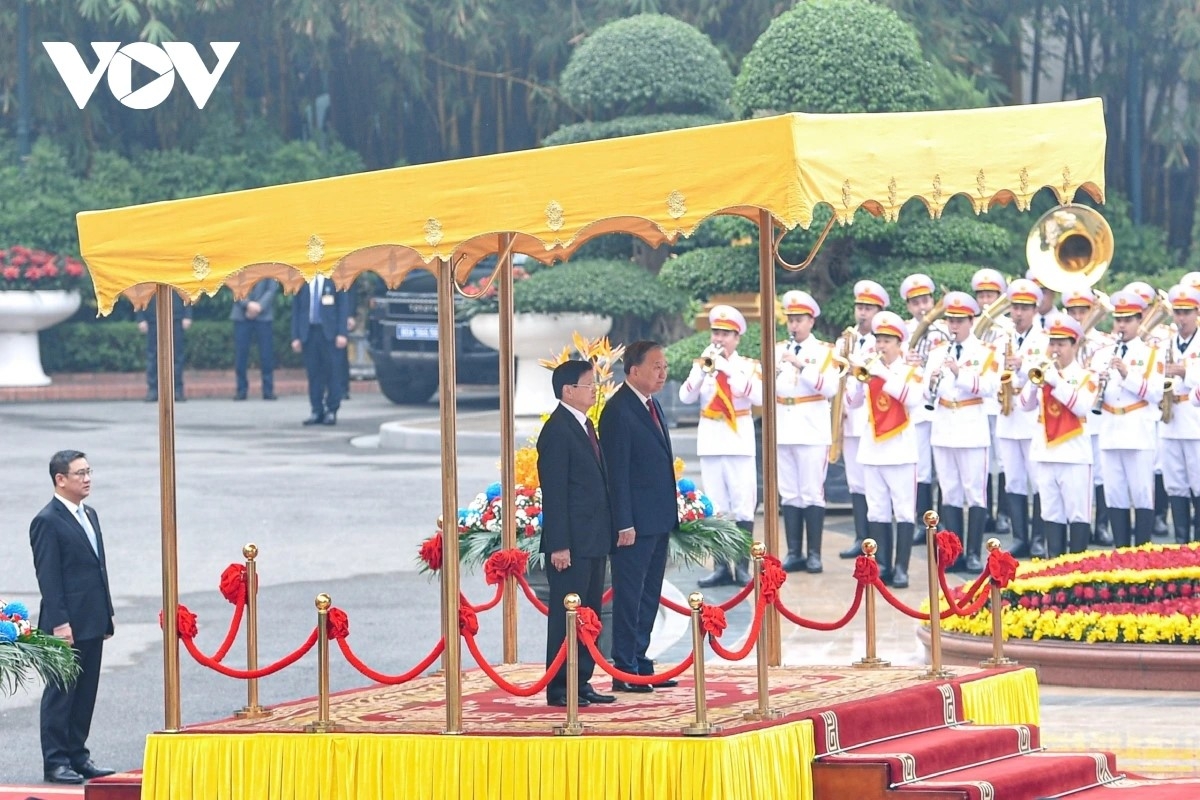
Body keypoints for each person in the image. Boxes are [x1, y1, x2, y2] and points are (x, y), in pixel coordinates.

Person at [29, 451, 116, 785]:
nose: (87, 478)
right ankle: (56, 762)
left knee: (85, 693)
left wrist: (106, 616)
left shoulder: (89, 514)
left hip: (92, 620)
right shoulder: (47, 521)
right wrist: (60, 623)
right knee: (61, 693)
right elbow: (49, 578)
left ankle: (78, 756)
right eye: (80, 473)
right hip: (63, 625)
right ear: (60, 479)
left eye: (88, 471)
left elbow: (97, 569)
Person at [599, 341, 679, 692]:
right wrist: (624, 522)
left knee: (649, 594)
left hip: (657, 518)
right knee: (629, 596)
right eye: (656, 366)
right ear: (634, 371)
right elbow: (617, 474)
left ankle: (642, 661)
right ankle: (625, 667)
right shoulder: (618, 410)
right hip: (634, 524)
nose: (663, 373)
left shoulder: (652, 404)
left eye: (664, 366)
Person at [538, 360, 617, 708]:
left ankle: (582, 680)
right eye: (589, 385)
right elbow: (554, 493)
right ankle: (559, 687)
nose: (594, 391)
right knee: (567, 615)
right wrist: (559, 545)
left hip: (593, 539)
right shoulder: (557, 430)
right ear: (568, 390)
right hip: (570, 543)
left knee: (589, 614)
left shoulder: (585, 425)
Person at [680, 305, 763, 588]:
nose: (719, 339)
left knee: (742, 507)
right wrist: (701, 370)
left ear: (737, 338)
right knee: (716, 508)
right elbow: (686, 396)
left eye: (726, 334)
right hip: (711, 442)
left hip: (739, 442)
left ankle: (741, 567)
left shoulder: (748, 366)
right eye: (716, 332)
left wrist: (728, 369)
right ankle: (720, 567)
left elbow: (758, 396)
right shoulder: (703, 364)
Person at [922, 291, 1000, 572]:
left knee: (975, 493)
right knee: (950, 492)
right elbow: (925, 394)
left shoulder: (986, 352)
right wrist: (931, 383)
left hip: (971, 427)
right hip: (944, 426)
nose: (954, 326)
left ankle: (975, 554)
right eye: (950, 320)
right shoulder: (936, 353)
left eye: (959, 321)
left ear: (971, 321)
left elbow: (990, 387)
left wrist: (959, 373)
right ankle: (953, 555)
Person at [845, 311, 922, 587]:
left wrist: (882, 374)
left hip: (900, 450)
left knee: (903, 510)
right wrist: (857, 381)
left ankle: (901, 568)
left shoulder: (911, 371)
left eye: (887, 341)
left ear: (899, 344)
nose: (881, 346)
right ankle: (883, 566)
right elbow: (852, 403)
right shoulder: (871, 369)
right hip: (872, 448)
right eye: (878, 340)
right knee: (876, 510)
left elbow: (912, 398)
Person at [1090, 289, 1165, 547]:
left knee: (1142, 492)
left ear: (1139, 319)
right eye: (1118, 319)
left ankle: (1143, 551)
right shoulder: (1102, 354)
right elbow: (1091, 393)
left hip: (1138, 429)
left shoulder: (1151, 353)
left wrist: (1126, 374)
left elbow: (1156, 393)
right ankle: (1120, 551)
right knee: (1114, 493)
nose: (1122, 325)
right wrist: (1097, 383)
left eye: (1128, 320)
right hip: (1110, 428)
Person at [1019, 315, 1097, 557]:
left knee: (1078, 514)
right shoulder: (1044, 371)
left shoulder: (1087, 376)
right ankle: (1054, 568)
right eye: (1052, 343)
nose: (1055, 349)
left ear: (1075, 345)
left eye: (1061, 344)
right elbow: (1024, 405)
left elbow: (1081, 406)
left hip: (1074, 455)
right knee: (1051, 513)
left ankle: (1077, 571)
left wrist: (1057, 382)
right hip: (1045, 453)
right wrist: (1034, 384)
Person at [774, 290, 839, 573]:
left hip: (812, 429)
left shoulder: (824, 352)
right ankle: (793, 552)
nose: (794, 325)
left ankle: (814, 553)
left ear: (811, 321)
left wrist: (801, 365)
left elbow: (831, 388)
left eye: (799, 320)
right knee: (789, 492)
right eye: (791, 320)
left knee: (812, 492)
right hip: (784, 428)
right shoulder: (778, 349)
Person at [994, 279, 1050, 558]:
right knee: (1013, 479)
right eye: (1015, 307)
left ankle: (1039, 537)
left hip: (1032, 415)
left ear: (1035, 310)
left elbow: (1046, 372)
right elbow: (990, 373)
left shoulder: (1045, 340)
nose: (1018, 313)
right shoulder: (1000, 340)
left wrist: (1023, 365)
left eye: (1024, 308)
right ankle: (1020, 537)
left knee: (1037, 478)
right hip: (1008, 415)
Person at [836, 280, 888, 560]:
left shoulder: (884, 343)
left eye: (869, 308)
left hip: (876, 420)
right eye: (860, 307)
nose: (863, 313)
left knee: (874, 483)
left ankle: (877, 539)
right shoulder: (845, 341)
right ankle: (861, 537)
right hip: (850, 417)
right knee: (855, 482)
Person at [901, 273, 949, 545]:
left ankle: (943, 523)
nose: (922, 307)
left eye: (926, 301)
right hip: (918, 408)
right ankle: (923, 522)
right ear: (908, 306)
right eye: (915, 302)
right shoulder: (904, 332)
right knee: (922, 469)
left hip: (943, 407)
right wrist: (908, 361)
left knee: (944, 468)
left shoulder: (945, 329)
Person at [1160, 284, 1200, 544]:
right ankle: (1181, 543)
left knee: (1198, 482)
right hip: (1171, 421)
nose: (1181, 318)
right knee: (1175, 484)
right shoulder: (1166, 343)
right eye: (1177, 312)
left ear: (1197, 313)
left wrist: (1186, 372)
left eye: (1187, 312)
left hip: (1195, 423)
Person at [291, 274, 351, 425]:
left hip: (330, 334)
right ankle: (316, 410)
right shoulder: (302, 280)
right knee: (314, 374)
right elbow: (296, 309)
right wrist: (296, 336)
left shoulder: (336, 279)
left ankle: (332, 410)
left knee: (333, 373)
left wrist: (342, 333)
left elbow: (343, 307)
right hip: (309, 333)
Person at [135, 293, 192, 402]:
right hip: (153, 319)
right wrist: (140, 318)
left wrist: (188, 315)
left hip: (176, 318)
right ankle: (153, 390)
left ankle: (177, 390)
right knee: (153, 356)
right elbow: (140, 294)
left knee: (177, 356)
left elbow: (186, 292)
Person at [231, 279, 279, 401]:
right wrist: (247, 305)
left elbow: (271, 289)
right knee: (241, 355)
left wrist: (259, 306)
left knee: (266, 355)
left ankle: (268, 390)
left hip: (264, 316)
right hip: (241, 315)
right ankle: (241, 390)